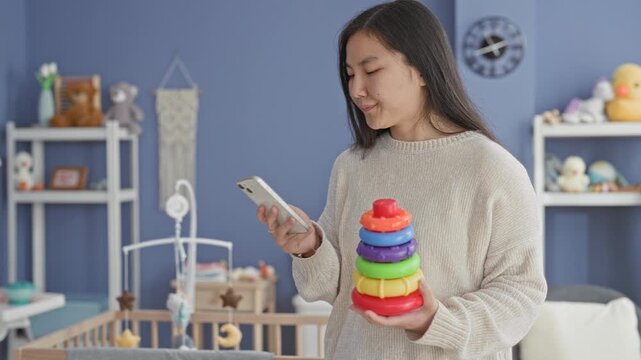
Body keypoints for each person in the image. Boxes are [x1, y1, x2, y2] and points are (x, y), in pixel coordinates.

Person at [257, 1, 547, 358]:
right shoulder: (351, 166)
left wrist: (434, 320)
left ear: (422, 69)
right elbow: (330, 289)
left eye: (371, 70)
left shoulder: (491, 169)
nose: (356, 89)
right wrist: (310, 247)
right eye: (349, 74)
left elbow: (521, 296)